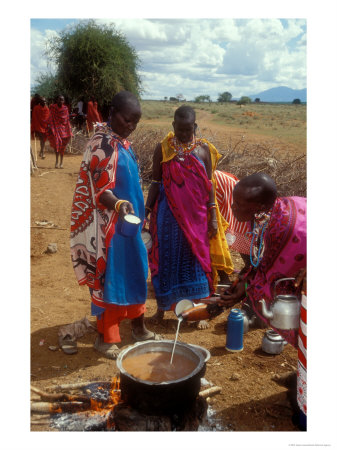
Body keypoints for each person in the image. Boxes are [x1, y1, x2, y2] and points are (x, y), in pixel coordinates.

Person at [70, 91, 158, 359]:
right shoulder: (102, 145)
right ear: (112, 113)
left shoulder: (122, 143)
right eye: (127, 119)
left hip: (128, 226)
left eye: (136, 122)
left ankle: (138, 328)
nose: (131, 126)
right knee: (112, 280)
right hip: (109, 229)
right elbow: (101, 191)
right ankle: (105, 338)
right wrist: (119, 205)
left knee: (136, 273)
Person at [216, 173, 307, 429]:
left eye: (237, 205)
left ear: (258, 206)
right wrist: (242, 288)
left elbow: (266, 272)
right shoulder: (270, 214)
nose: (232, 208)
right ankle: (303, 372)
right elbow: (261, 262)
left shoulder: (285, 227)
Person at [145, 105, 233, 326]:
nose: (184, 135)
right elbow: (156, 182)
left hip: (197, 218)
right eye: (179, 130)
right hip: (167, 216)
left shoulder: (204, 150)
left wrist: (213, 214)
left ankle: (199, 310)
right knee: (165, 261)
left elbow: (210, 184)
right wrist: (146, 212)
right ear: (173, 126)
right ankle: (163, 308)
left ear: (195, 127)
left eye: (188, 130)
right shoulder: (163, 149)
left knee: (196, 261)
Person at [214, 170, 251, 283]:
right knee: (222, 233)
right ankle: (245, 272)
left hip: (224, 188)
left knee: (225, 231)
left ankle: (247, 271)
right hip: (221, 187)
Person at [47, 95, 72, 168]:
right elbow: (50, 117)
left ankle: (61, 162)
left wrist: (69, 129)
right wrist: (49, 126)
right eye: (59, 99)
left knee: (62, 147)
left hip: (63, 130)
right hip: (55, 129)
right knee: (56, 146)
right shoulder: (53, 108)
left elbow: (67, 120)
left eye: (62, 100)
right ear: (57, 100)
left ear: (64, 101)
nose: (60, 101)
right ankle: (57, 161)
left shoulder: (65, 109)